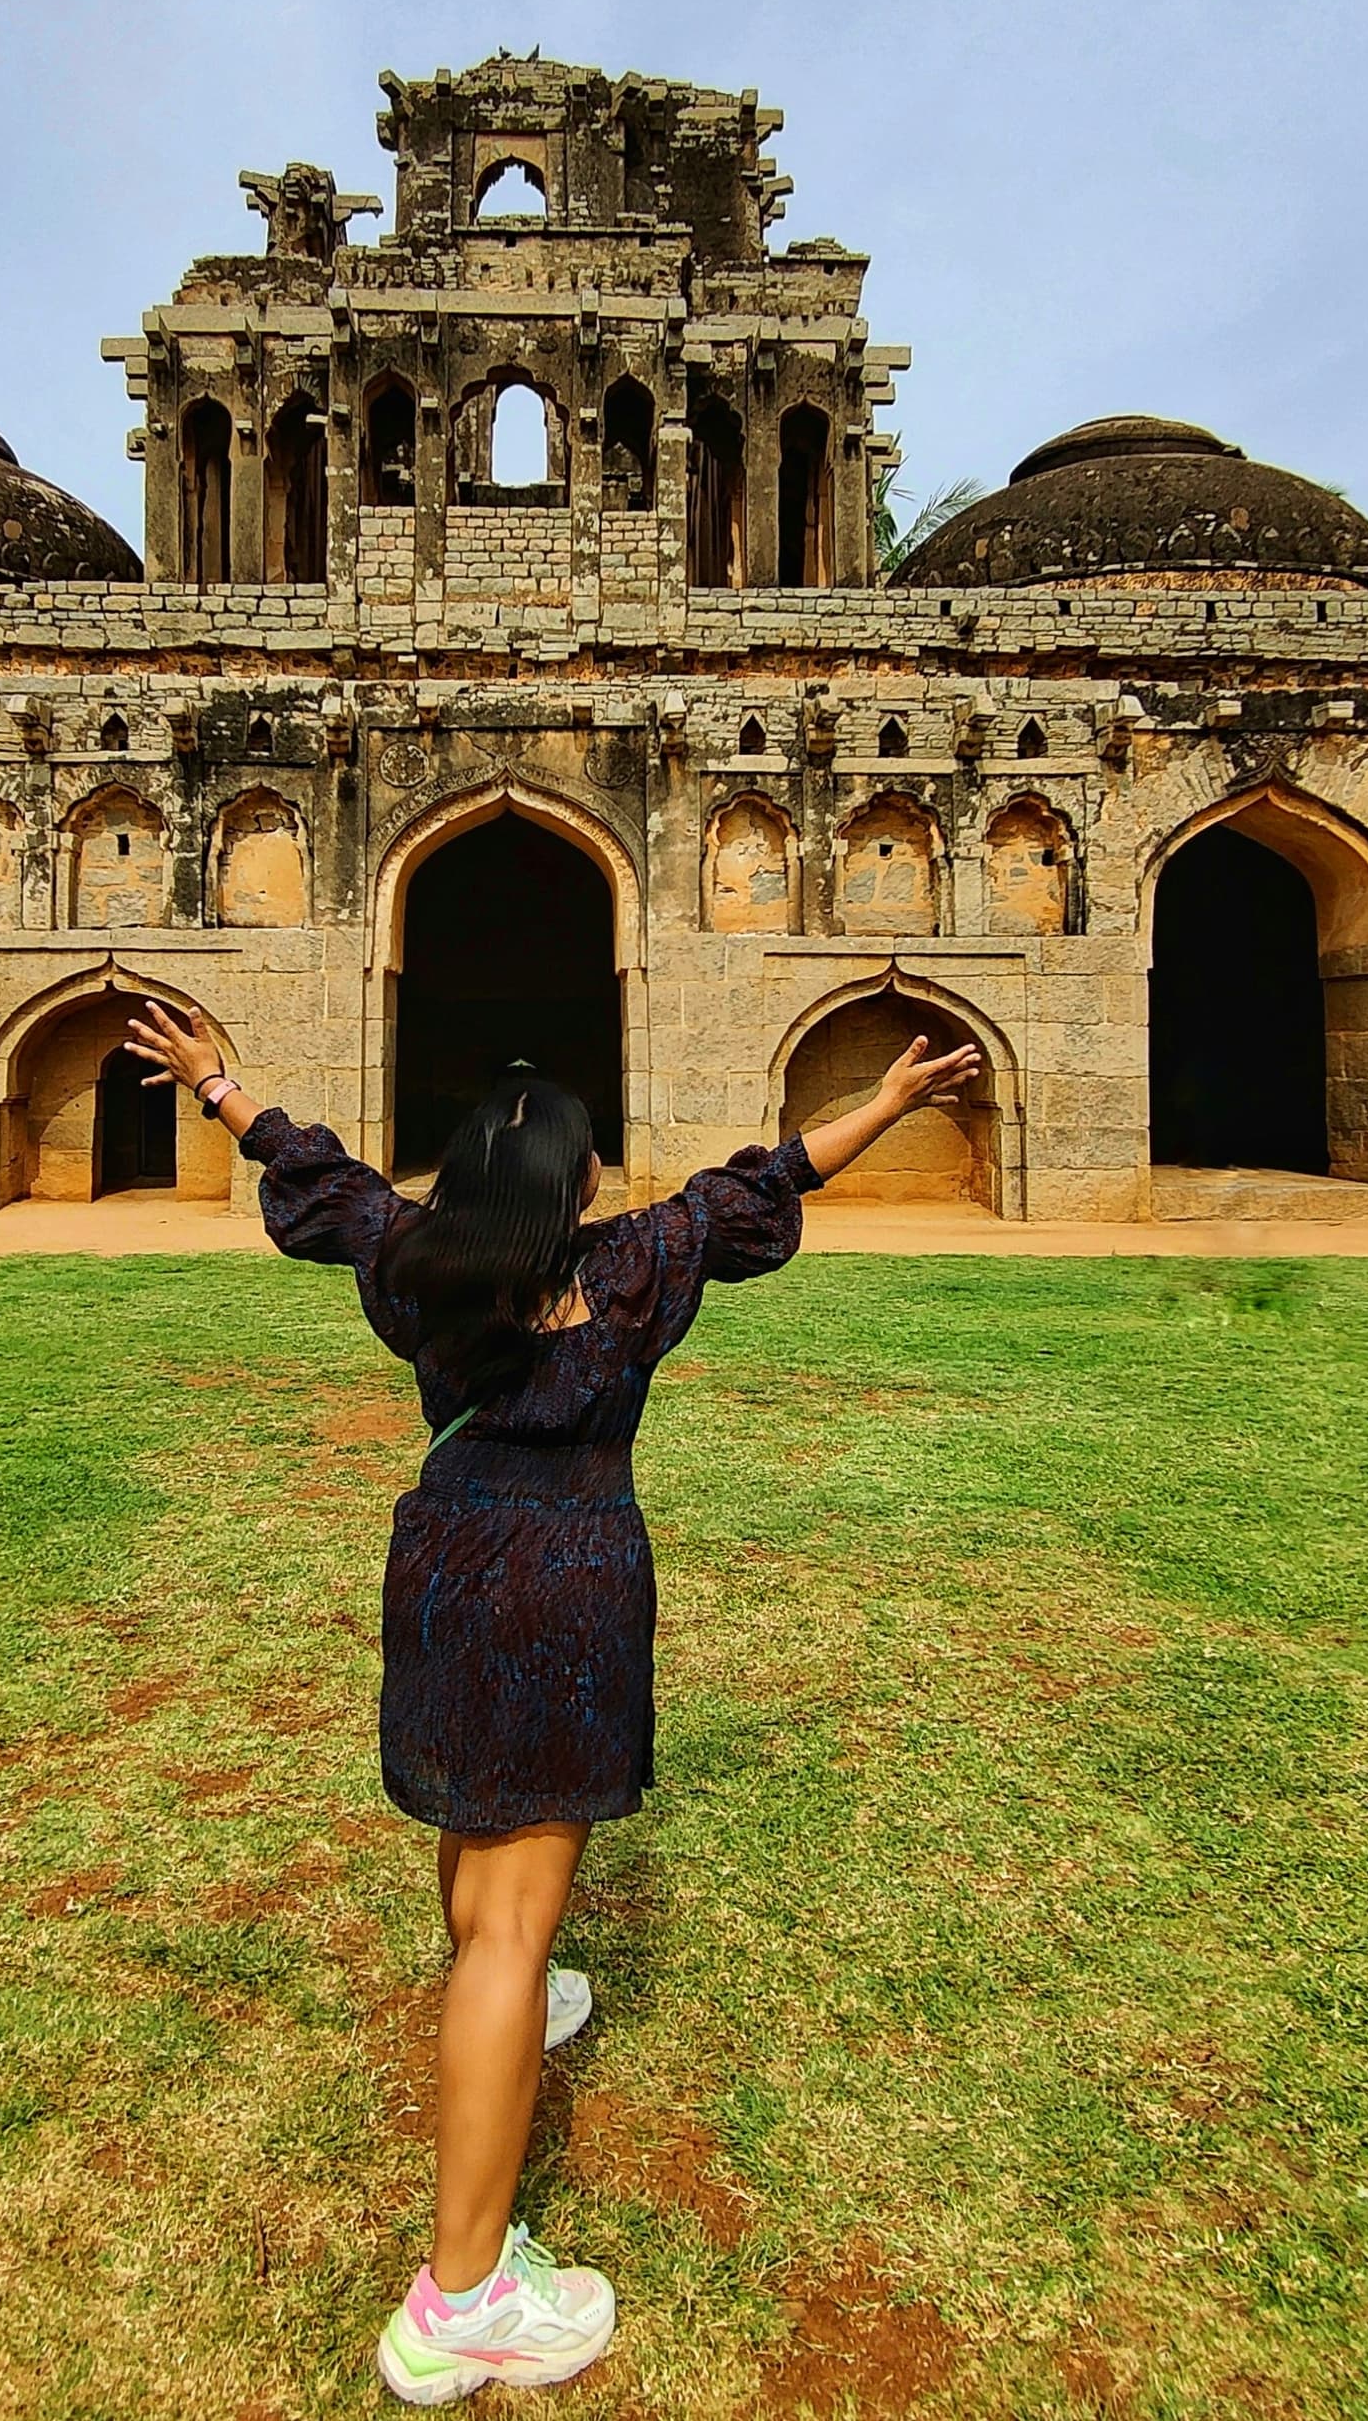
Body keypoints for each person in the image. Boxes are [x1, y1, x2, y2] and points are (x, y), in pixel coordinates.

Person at [117, 1001, 983, 2405]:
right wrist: (882, 1100)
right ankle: (460, 2301)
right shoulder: (635, 1267)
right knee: (515, 1922)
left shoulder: (412, 1258)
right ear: (586, 1182)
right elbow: (771, 1181)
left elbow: (315, 1176)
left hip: (449, 1557)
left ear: (460, 1176)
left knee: (482, 1848)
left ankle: (507, 1988)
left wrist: (217, 1083)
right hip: (569, 1570)